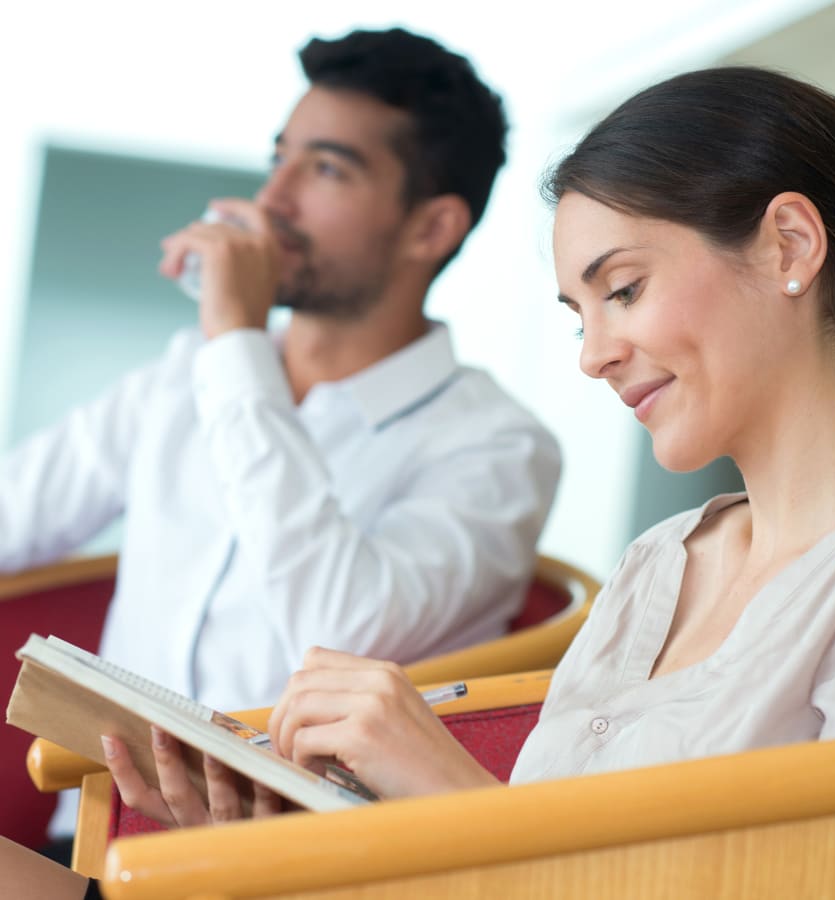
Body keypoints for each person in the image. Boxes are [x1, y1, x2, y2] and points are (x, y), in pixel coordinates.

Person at [8, 62, 835, 899]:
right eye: (579, 314)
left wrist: (441, 789)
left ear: (788, 245)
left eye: (622, 289)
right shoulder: (660, 561)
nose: (593, 355)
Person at [0, 27, 560, 849]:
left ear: (430, 228)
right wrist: (226, 351)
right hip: (87, 838)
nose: (274, 198)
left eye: (326, 168)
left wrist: (235, 340)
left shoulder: (499, 448)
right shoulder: (186, 374)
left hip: (288, 866)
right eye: (279, 158)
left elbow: (339, 629)